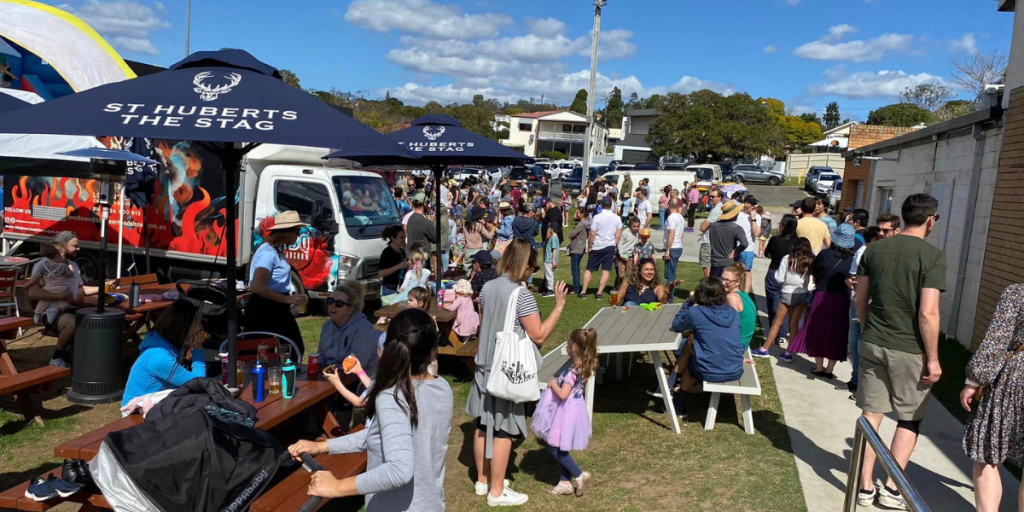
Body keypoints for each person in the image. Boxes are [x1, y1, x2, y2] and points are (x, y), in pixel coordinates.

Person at [290, 309, 453, 511]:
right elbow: (380, 436)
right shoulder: (442, 388)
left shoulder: (391, 396)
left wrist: (337, 487)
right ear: (432, 350)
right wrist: (323, 447)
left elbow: (399, 469)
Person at [854, 194, 945, 510]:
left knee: (871, 414)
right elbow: (928, 313)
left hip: (873, 342)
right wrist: (933, 358)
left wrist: (867, 329)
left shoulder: (874, 249)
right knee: (909, 419)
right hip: (910, 351)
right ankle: (891, 487)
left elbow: (860, 299)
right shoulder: (932, 256)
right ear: (931, 219)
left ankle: (864, 486)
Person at [466, 239, 567, 506]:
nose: (531, 271)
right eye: (531, 266)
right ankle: (497, 492)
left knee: (482, 423)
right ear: (524, 264)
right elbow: (539, 335)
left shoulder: (487, 287)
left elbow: (487, 321)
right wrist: (558, 309)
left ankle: (483, 480)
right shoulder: (521, 295)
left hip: (484, 365)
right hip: (506, 369)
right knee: (504, 430)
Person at [960, 285, 1024, 512]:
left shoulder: (1018, 293)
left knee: (987, 451)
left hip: (1016, 379)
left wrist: (974, 381)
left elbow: (997, 340)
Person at [531, 328, 597, 497]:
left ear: (573, 347)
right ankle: (564, 482)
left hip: (565, 410)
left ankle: (578, 474)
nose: (567, 348)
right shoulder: (584, 365)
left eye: (567, 345)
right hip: (575, 409)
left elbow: (563, 394)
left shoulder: (570, 372)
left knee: (553, 447)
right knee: (562, 445)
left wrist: (552, 384)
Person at [786, 223, 856, 379]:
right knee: (837, 333)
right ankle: (830, 370)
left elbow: (815, 271)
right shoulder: (853, 259)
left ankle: (819, 367)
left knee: (818, 330)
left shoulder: (824, 254)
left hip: (822, 296)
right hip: (843, 299)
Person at [669, 278, 743, 419]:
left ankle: (680, 403)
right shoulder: (733, 312)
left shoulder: (696, 312)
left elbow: (677, 324)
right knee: (691, 347)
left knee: (690, 363)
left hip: (708, 369)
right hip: (735, 368)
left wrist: (689, 302)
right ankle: (672, 383)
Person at [28, 232, 98, 367]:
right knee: (72, 323)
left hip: (69, 307)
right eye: (75, 246)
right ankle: (57, 358)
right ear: (63, 247)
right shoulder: (43, 265)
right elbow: (32, 292)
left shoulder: (73, 266)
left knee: (99, 317)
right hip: (48, 312)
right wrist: (60, 297)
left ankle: (89, 359)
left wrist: (103, 289)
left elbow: (79, 290)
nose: (78, 249)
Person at [245, 211, 308, 357]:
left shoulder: (275, 250)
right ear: (286, 233)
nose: (299, 235)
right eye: (297, 231)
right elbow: (257, 286)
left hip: (274, 308)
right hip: (266, 309)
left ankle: (280, 377)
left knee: (287, 350)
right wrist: (286, 299)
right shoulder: (269, 253)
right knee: (289, 350)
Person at [121, 300, 206, 406]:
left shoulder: (165, 344)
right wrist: (197, 348)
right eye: (198, 322)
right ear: (185, 326)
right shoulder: (159, 357)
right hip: (138, 410)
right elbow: (198, 384)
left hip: (156, 403)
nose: (202, 327)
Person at [753, 238, 814, 361]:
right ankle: (788, 353)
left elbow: (779, 278)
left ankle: (764, 349)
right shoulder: (811, 260)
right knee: (794, 325)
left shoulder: (788, 258)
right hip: (802, 294)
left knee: (777, 322)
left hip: (787, 292)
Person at [841, 226, 881, 396]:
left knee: (868, 345)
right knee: (855, 340)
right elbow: (853, 276)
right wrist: (849, 281)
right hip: (857, 302)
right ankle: (856, 380)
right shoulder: (862, 252)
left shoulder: (884, 255)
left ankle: (865, 386)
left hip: (874, 305)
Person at [320, 280, 381, 377]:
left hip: (359, 384)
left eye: (339, 303)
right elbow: (320, 359)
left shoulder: (363, 329)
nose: (333, 306)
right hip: (332, 379)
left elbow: (355, 367)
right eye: (330, 301)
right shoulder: (327, 326)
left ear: (350, 308)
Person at [763, 214, 798, 348]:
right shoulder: (798, 241)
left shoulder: (775, 240)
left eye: (781, 223)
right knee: (788, 305)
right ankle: (783, 333)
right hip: (791, 274)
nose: (779, 226)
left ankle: (777, 332)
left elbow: (767, 253)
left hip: (775, 272)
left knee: (773, 304)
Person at [580, 195, 621, 300]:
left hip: (597, 246)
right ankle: (599, 292)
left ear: (602, 205)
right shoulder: (617, 218)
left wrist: (589, 246)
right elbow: (618, 235)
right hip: (610, 246)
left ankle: (584, 291)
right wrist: (614, 245)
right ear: (611, 205)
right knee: (606, 270)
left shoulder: (597, 217)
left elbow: (592, 234)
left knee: (589, 269)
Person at [25, 243, 74, 326]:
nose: (64, 257)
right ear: (56, 256)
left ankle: (37, 315)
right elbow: (70, 275)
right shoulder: (63, 266)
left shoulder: (43, 266)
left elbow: (36, 277)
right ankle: (55, 309)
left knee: (43, 302)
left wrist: (27, 283)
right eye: (63, 255)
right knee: (66, 303)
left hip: (48, 289)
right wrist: (71, 269)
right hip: (62, 289)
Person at [707, 201, 748, 278]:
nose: (738, 214)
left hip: (714, 262)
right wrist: (736, 251)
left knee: (715, 287)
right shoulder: (736, 228)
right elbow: (744, 243)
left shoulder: (713, 226)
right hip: (728, 263)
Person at [721, 263, 756, 350]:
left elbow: (731, 325)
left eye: (727, 280)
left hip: (736, 344)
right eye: (722, 279)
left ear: (738, 282)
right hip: (744, 340)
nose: (723, 282)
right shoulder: (743, 294)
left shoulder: (732, 297)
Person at [736, 196, 761, 294]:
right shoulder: (738, 215)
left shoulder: (757, 217)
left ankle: (745, 294)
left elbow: (757, 234)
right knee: (736, 271)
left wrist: (753, 219)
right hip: (736, 247)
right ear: (746, 203)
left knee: (746, 272)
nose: (755, 206)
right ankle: (736, 292)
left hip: (747, 249)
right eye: (753, 204)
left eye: (756, 204)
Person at [698, 189, 725, 278]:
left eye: (713, 197)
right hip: (716, 243)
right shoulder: (722, 208)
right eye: (710, 196)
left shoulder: (716, 210)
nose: (710, 198)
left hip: (708, 242)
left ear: (720, 197)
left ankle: (708, 289)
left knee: (707, 270)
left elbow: (702, 228)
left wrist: (705, 223)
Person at [663, 198, 685, 301]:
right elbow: (681, 234)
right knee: (671, 273)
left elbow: (672, 234)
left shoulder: (671, 218)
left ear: (668, 205)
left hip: (673, 248)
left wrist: (667, 250)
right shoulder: (680, 217)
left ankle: (669, 299)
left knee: (670, 276)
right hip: (678, 246)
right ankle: (668, 296)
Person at [378, 225, 409, 296]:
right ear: (393, 238)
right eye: (401, 237)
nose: (404, 239)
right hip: (389, 289)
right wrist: (398, 266)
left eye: (405, 237)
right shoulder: (387, 252)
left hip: (400, 288)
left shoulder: (402, 251)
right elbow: (380, 273)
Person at [405, 193, 437, 258]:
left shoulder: (410, 218)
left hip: (412, 255)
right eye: (427, 203)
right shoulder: (426, 222)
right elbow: (436, 239)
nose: (428, 206)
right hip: (422, 257)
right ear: (424, 204)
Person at [463, 207, 495, 272]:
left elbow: (465, 238)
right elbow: (489, 236)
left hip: (468, 249)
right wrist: (493, 228)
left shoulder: (465, 225)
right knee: (478, 270)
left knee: (468, 271)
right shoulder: (479, 225)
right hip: (478, 249)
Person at [567, 208, 590, 297]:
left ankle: (576, 288)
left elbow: (570, 235)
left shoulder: (580, 225)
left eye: (578, 213)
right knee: (576, 268)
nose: (576, 214)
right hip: (581, 248)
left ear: (582, 214)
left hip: (577, 248)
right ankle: (576, 287)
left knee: (575, 269)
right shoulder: (587, 224)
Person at [615, 218, 640, 289]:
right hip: (622, 255)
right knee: (621, 275)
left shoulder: (637, 233)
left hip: (631, 256)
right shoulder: (625, 232)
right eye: (634, 226)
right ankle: (617, 286)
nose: (636, 228)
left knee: (630, 274)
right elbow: (620, 244)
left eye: (637, 226)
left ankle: (629, 288)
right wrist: (621, 254)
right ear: (630, 226)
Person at [542, 226, 560, 298]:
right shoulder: (553, 238)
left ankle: (550, 290)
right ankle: (547, 289)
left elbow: (554, 249)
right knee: (547, 274)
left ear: (552, 229)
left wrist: (553, 260)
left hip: (549, 259)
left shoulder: (554, 238)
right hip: (548, 259)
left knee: (549, 275)